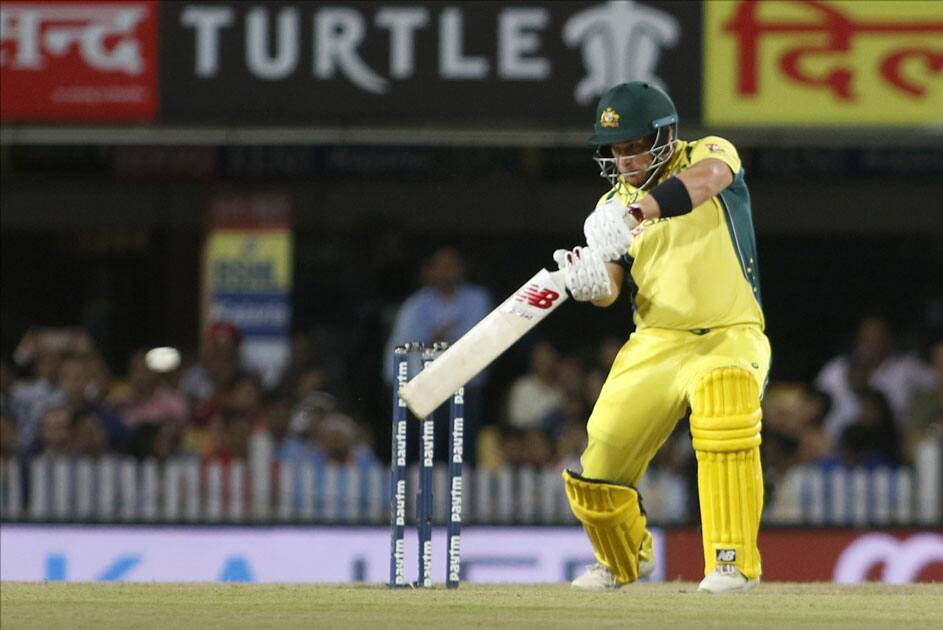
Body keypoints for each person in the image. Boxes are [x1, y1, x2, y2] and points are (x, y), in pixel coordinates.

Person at [553, 82, 770, 593]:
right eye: (617, 150)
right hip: (656, 342)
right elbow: (610, 287)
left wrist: (637, 212)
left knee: (726, 412)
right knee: (602, 455)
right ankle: (621, 560)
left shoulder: (709, 153)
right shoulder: (609, 207)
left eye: (634, 146)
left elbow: (709, 180)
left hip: (729, 334)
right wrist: (589, 283)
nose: (625, 159)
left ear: (666, 135)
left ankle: (730, 562)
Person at [384, 247, 492, 465]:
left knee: (461, 458)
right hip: (424, 390)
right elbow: (403, 348)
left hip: (464, 389)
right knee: (421, 459)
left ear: (462, 270)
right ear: (430, 271)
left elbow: (479, 342)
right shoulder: (415, 305)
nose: (447, 272)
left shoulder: (477, 299)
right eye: (441, 267)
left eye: (451, 266)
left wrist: (437, 340)